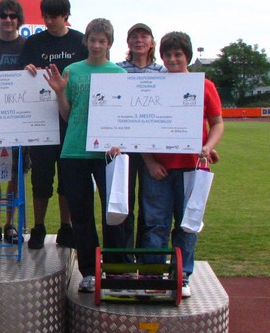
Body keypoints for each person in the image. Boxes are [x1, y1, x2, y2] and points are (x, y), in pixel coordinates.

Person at [43, 18, 127, 292]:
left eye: (102, 41)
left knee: (112, 214)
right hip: (75, 150)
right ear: (86, 41)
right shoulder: (72, 71)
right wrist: (59, 93)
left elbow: (123, 117)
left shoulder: (119, 74)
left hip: (107, 154)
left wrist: (119, 142)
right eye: (93, 40)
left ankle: (114, 270)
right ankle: (89, 271)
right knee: (81, 215)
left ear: (109, 43)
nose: (97, 45)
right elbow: (67, 114)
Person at [140, 31, 224, 298]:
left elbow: (217, 123)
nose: (172, 59)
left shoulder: (205, 86)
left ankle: (182, 275)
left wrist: (208, 147)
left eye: (178, 54)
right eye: (167, 55)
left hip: (192, 167)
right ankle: (153, 275)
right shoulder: (153, 86)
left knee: (188, 224)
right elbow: (141, 127)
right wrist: (150, 161)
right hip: (158, 169)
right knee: (155, 224)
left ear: (187, 55)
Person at [19, 0, 88, 250]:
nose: (49, 21)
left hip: (72, 121)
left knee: (68, 178)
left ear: (66, 15)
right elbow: (21, 75)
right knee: (41, 178)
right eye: (45, 16)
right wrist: (27, 70)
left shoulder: (80, 41)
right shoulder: (34, 43)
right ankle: (38, 227)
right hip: (41, 122)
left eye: (54, 16)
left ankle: (66, 227)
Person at [116, 23, 167, 249]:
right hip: (123, 149)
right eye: (134, 36)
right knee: (123, 204)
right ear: (128, 43)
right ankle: (125, 258)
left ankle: (147, 256)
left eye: (144, 36)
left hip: (154, 151)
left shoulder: (163, 73)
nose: (139, 40)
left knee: (150, 205)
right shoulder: (117, 70)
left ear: (152, 43)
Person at [0, 0, 26, 244]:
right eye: (3, 16)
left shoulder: (28, 45)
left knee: (14, 173)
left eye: (13, 16)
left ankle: (11, 224)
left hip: (19, 119)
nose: (8, 20)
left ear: (19, 20)